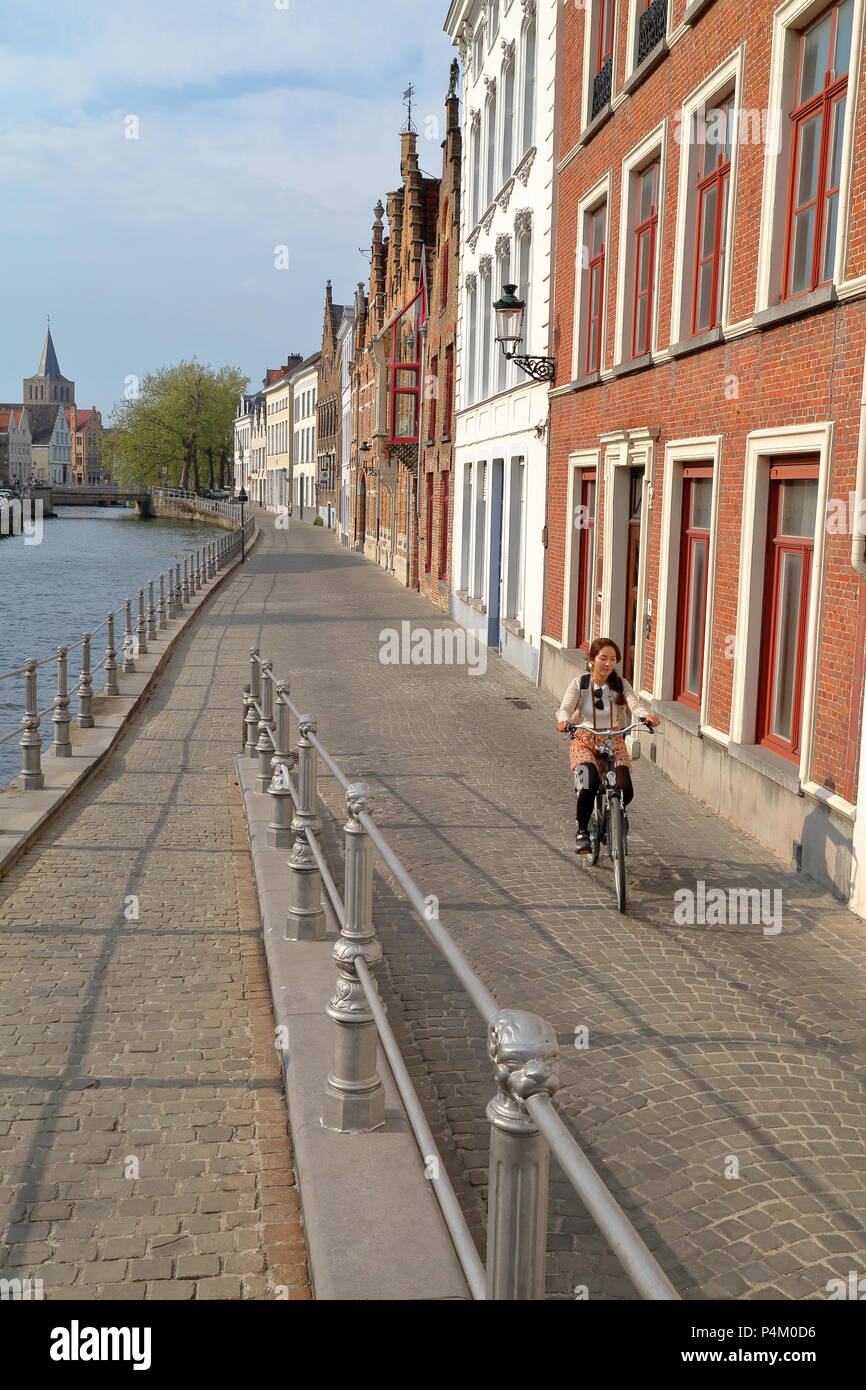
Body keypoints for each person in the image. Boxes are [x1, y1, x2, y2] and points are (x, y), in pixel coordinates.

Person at [555, 637, 660, 854]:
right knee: (589, 782)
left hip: (614, 738)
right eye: (603, 658)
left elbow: (634, 704)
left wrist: (645, 716)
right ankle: (583, 831)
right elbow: (564, 707)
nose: (608, 663)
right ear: (592, 659)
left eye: (613, 659)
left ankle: (616, 815)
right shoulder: (579, 684)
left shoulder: (621, 685)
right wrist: (563, 721)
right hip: (584, 738)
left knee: (626, 787)